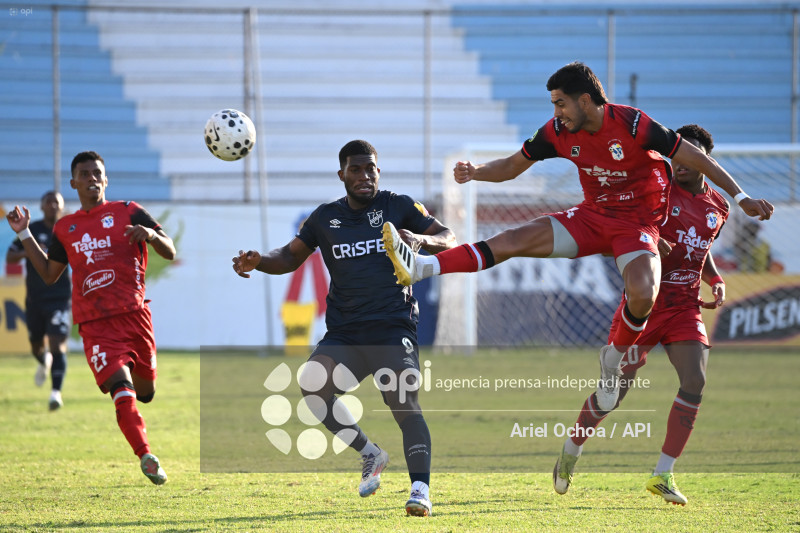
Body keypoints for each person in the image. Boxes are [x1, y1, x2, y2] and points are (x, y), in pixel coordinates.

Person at [382, 61, 773, 413]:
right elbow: (514, 165)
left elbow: (697, 158)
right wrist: (477, 172)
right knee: (513, 239)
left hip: (638, 227)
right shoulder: (556, 132)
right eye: (553, 104)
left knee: (642, 293)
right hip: (592, 217)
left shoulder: (634, 124)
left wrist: (740, 197)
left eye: (561, 103)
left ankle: (612, 359)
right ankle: (421, 267)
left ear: (585, 100)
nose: (556, 113)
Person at [232, 140, 456, 517]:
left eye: (371, 169)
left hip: (391, 326)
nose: (365, 176)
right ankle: (370, 453)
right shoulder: (324, 218)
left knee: (403, 400)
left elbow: (448, 236)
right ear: (342, 175)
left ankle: (420, 490)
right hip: (346, 333)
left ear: (378, 172)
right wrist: (259, 260)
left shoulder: (397, 206)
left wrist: (420, 240)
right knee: (313, 385)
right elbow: (288, 257)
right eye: (356, 169)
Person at [552, 124, 730, 505]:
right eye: (676, 156)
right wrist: (648, 240)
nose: (678, 163)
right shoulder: (656, 189)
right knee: (612, 395)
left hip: (683, 306)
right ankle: (572, 448)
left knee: (695, 380)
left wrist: (714, 278)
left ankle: (663, 473)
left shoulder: (719, 207)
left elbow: (704, 243)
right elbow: (613, 233)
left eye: (688, 156)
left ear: (704, 161)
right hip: (644, 306)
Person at [5, 151, 176, 485]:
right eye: (84, 174)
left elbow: (170, 251)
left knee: (146, 392)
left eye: (97, 173)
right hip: (96, 327)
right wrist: (25, 233)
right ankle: (146, 455)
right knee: (122, 389)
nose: (92, 178)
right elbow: (49, 274)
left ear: (106, 179)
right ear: (74, 183)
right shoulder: (65, 228)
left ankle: (141, 432)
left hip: (136, 319)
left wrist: (152, 235)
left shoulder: (128, 211)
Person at [6, 191, 71, 410]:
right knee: (36, 346)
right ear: (42, 207)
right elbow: (10, 256)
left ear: (62, 207)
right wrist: (31, 252)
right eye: (49, 202)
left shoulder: (68, 229)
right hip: (35, 298)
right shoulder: (31, 229)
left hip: (59, 297)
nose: (53, 206)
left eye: (57, 202)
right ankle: (44, 362)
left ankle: (56, 393)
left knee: (57, 344)